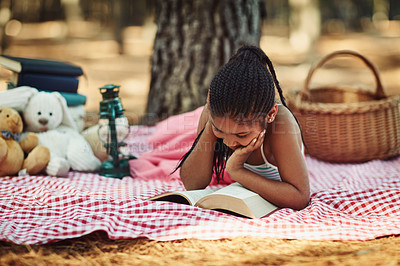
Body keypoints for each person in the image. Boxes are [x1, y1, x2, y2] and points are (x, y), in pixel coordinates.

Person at [176, 45, 310, 210]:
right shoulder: (216, 115)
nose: (230, 143)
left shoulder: (281, 125)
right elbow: (193, 183)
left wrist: (237, 171)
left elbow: (300, 196)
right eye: (221, 131)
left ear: (270, 114)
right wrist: (212, 124)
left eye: (241, 135)